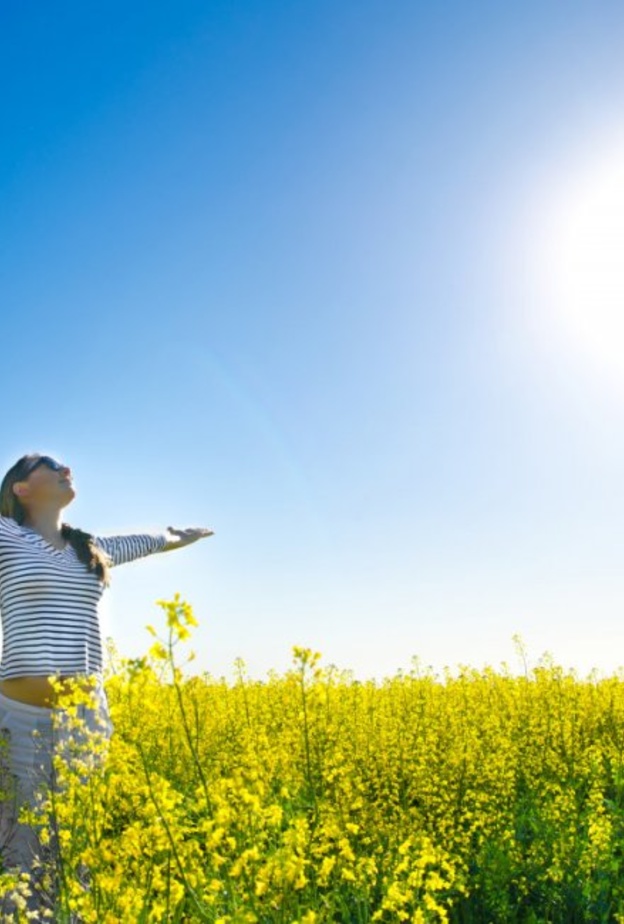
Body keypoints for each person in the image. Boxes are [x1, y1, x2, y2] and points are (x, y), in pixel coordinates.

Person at [0, 452, 213, 918]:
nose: (65, 469)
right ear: (21, 488)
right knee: (18, 844)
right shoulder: (6, 538)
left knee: (77, 839)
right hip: (19, 719)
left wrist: (181, 535)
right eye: (51, 465)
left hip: (86, 718)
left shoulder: (89, 548)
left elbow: (148, 540)